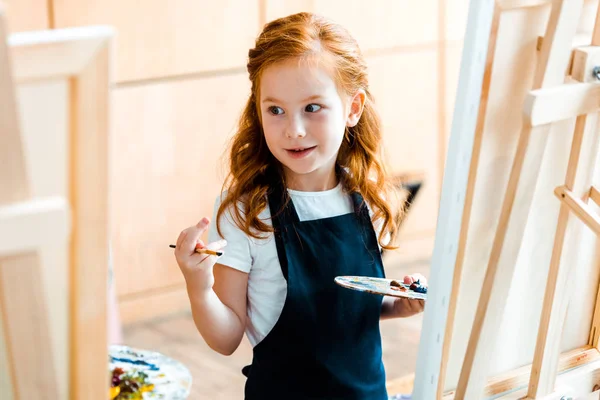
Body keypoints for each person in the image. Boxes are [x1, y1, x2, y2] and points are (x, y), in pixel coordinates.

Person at [174, 12, 427, 400]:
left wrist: (397, 306)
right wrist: (197, 284)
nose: (294, 129)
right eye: (275, 110)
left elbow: (344, 308)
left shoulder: (367, 197)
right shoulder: (245, 210)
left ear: (353, 108)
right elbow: (226, 338)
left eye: (312, 108)